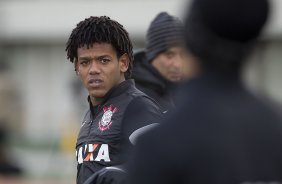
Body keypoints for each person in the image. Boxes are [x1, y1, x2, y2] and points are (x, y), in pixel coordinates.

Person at [128, 0, 282, 184]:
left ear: (189, 41)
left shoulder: (159, 144)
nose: (176, 63)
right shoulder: (275, 127)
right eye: (169, 55)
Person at [65, 16, 162, 184]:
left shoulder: (138, 107)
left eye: (104, 60)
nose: (94, 70)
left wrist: (120, 175)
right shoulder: (89, 115)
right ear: (77, 68)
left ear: (123, 63)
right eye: (85, 62)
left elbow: (164, 169)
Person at [132, 12, 194, 112]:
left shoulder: (187, 91)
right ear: (151, 56)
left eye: (182, 55)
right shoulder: (137, 98)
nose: (178, 64)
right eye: (169, 55)